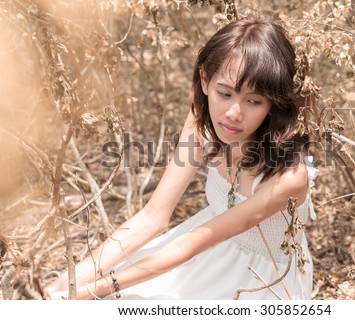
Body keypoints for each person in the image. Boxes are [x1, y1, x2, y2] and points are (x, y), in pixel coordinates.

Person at [45, 17, 318, 300]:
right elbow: (153, 217)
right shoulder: (203, 121)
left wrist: (97, 290)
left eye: (254, 101)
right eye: (224, 93)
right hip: (199, 254)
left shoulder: (288, 177)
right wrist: (72, 279)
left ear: (274, 103)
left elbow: (191, 245)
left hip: (259, 281)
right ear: (204, 81)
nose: (233, 113)